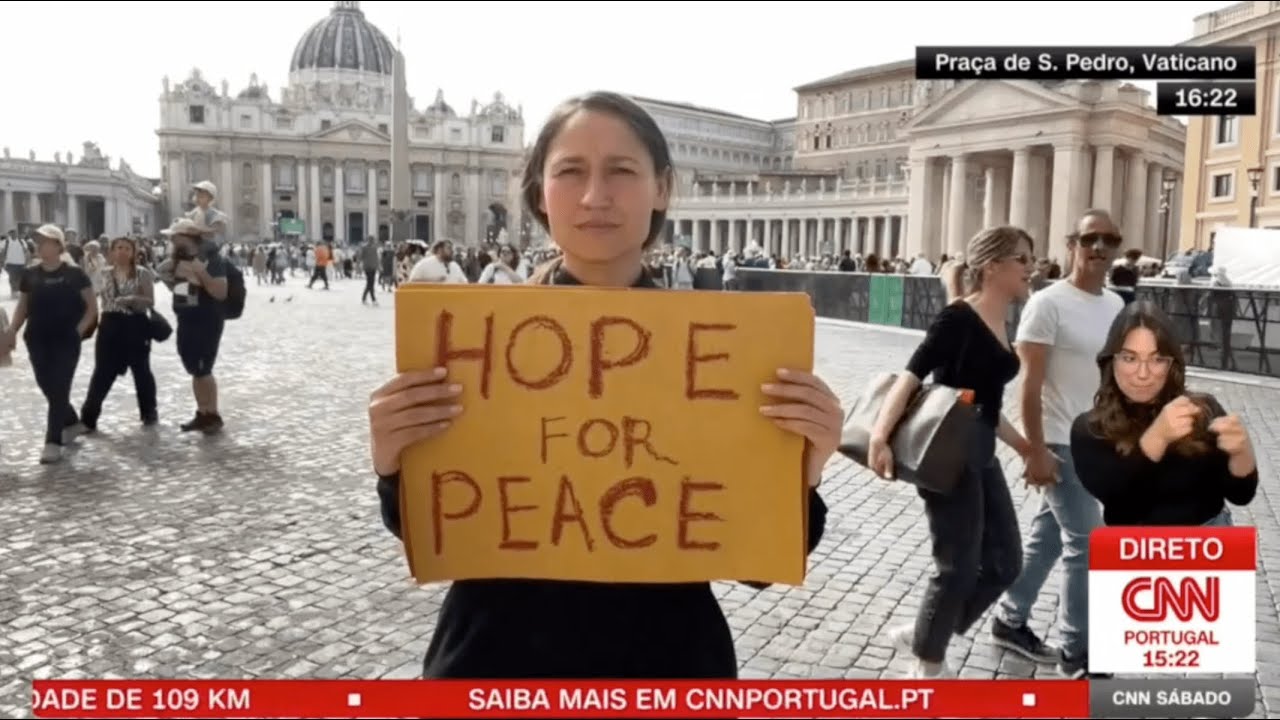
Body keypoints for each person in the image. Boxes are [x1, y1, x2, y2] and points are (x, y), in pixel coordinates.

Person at [367, 91, 840, 679]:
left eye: (621, 170)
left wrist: (804, 469)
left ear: (663, 188)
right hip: (497, 665)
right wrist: (393, 464)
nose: (595, 196)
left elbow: (758, 566)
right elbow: (432, 525)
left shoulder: (732, 356)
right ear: (540, 191)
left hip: (663, 668)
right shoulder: (469, 345)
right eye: (570, 172)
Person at [868, 226, 1035, 678]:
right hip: (948, 450)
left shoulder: (1002, 319)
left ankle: (927, 632)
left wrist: (1025, 448)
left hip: (982, 450)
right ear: (993, 266)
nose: (1031, 268)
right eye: (1022, 259)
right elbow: (911, 376)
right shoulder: (958, 318)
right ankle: (928, 665)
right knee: (958, 565)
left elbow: (989, 404)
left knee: (1005, 564)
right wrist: (880, 437)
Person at [991, 210, 1125, 678]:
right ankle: (1077, 652)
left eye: (1110, 239)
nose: (1100, 247)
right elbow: (1029, 384)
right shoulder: (1047, 304)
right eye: (1091, 238)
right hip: (1057, 440)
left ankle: (1009, 618)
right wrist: (1034, 450)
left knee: (1049, 539)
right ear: (1073, 243)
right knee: (1088, 545)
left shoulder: (1114, 305)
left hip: (1096, 441)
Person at [1071, 301, 1257, 527]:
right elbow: (1122, 513)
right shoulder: (1090, 428)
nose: (1143, 373)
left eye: (1157, 359)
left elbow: (1241, 495)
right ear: (1112, 361)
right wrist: (1155, 439)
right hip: (1138, 549)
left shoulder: (1203, 409)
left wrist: (1243, 454)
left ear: (1172, 365)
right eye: (1130, 358)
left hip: (1210, 543)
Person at [1, 224, 97, 463]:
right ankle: (72, 422)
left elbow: (92, 307)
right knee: (48, 386)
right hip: (36, 338)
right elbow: (23, 306)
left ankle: (52, 441)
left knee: (59, 386)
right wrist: (12, 330)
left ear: (57, 245)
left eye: (44, 240)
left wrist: (78, 330)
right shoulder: (30, 274)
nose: (39, 244)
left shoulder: (75, 274)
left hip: (66, 339)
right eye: (37, 240)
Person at [80, 237, 160, 431]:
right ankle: (88, 418)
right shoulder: (104, 273)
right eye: (117, 248)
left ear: (133, 252)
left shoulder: (142, 273)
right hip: (110, 324)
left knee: (141, 371)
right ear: (111, 252)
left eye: (126, 248)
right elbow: (90, 294)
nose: (121, 252)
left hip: (136, 324)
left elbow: (150, 301)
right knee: (102, 372)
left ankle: (149, 411)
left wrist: (133, 299)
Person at [157, 218, 229, 433]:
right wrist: (171, 281)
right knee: (194, 368)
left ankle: (212, 414)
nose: (170, 240)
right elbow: (183, 292)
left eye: (174, 236)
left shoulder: (211, 258)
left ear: (187, 237)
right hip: (186, 317)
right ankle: (203, 412)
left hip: (206, 318)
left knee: (203, 368)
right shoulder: (176, 259)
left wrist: (201, 272)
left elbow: (220, 291)